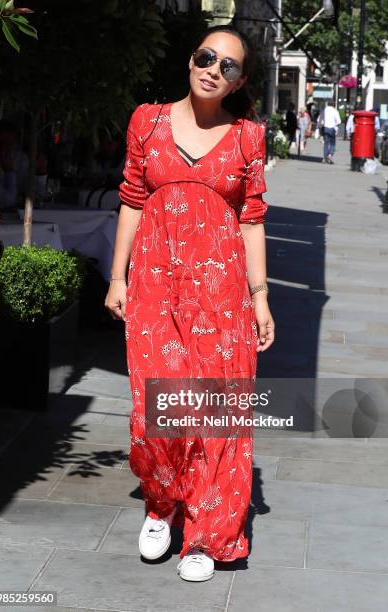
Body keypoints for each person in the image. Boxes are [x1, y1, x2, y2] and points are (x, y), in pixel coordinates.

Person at [105, 25, 275, 582]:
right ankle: (162, 503)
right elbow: (131, 198)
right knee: (152, 405)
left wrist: (261, 296)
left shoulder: (249, 136)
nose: (213, 70)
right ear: (190, 59)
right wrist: (117, 277)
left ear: (239, 81)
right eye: (207, 57)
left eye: (228, 66)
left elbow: (252, 218)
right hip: (155, 285)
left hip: (222, 293)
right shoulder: (146, 121)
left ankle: (207, 533)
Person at [320, 100, 341, 164]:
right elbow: (339, 121)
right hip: (332, 129)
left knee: (326, 144)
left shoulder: (324, 110)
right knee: (332, 143)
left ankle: (325, 158)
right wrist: (335, 125)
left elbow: (321, 120)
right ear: (333, 104)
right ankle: (330, 155)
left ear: (328, 104)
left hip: (325, 128)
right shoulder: (335, 111)